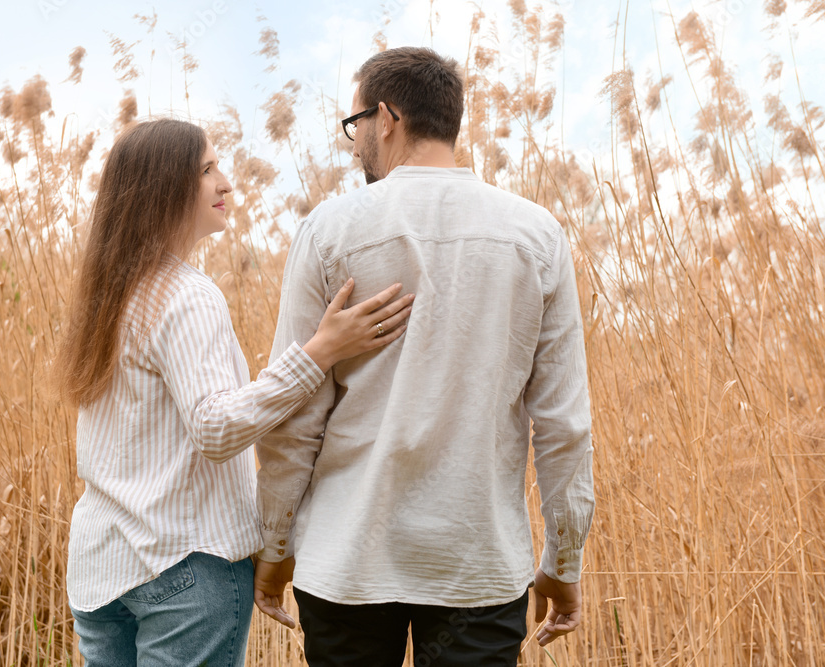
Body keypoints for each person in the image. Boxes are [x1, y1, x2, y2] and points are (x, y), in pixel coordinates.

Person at [253, 47, 595, 665]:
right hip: (477, 567)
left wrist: (274, 546)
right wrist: (563, 562)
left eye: (356, 124)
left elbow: (294, 417)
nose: (356, 140)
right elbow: (564, 424)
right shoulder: (536, 234)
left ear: (387, 118)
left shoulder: (328, 231)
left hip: (347, 561)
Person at [51, 118, 414, 667]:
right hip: (185, 569)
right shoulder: (187, 295)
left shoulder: (109, 293)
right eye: (206, 170)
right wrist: (320, 351)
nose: (226, 184)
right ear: (161, 188)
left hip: (103, 573)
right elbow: (215, 429)